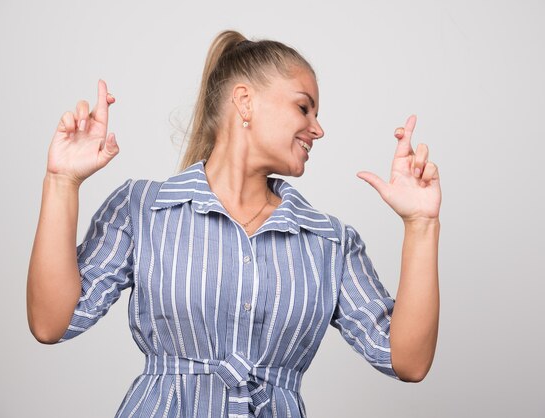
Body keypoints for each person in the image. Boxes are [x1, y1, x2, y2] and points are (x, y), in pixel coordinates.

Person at [27, 30, 441, 418]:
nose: (318, 128)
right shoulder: (144, 208)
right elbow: (51, 323)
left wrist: (422, 223)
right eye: (304, 107)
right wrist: (62, 181)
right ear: (244, 101)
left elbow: (408, 360)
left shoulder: (329, 241)